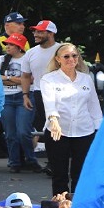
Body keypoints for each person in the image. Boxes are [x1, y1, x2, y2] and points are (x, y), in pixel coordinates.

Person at [41, 43, 102, 195]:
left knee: (81, 174)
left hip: (84, 131)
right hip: (58, 131)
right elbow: (49, 102)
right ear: (58, 59)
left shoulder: (86, 79)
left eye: (74, 56)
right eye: (66, 56)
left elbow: (94, 106)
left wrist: (100, 130)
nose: (71, 59)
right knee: (59, 174)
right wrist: (54, 120)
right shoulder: (48, 79)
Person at [0, 33, 41, 173]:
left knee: (23, 131)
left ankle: (30, 159)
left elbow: (30, 80)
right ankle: (14, 162)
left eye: (11, 44)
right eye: (7, 44)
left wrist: (7, 78)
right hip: (6, 98)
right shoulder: (0, 59)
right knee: (10, 133)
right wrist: (17, 79)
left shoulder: (28, 59)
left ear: (20, 47)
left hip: (24, 96)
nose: (7, 47)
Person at [20, 20, 61, 152]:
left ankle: (59, 160)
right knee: (48, 128)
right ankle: (53, 160)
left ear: (51, 33)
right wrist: (25, 95)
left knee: (62, 127)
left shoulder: (62, 50)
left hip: (62, 94)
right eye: (35, 31)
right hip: (39, 93)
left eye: (40, 31)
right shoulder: (30, 53)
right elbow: (25, 76)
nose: (35, 34)